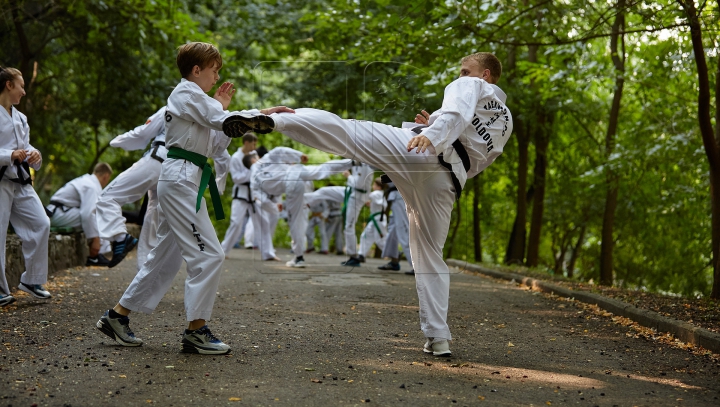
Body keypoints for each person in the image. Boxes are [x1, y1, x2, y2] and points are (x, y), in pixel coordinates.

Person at [223, 52, 513, 357]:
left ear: (485, 75)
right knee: (430, 258)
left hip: (420, 152)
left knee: (347, 131)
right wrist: (436, 128)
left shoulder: (473, 86)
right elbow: (472, 155)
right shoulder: (504, 124)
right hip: (446, 183)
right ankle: (438, 338)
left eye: (466, 70)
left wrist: (431, 133)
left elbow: (455, 112)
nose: (461, 75)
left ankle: (273, 119)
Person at [95, 41, 293, 354]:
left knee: (164, 258)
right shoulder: (186, 92)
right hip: (180, 179)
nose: (217, 78)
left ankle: (116, 317)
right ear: (197, 70)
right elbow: (219, 120)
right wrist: (254, 114)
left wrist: (246, 114)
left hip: (187, 179)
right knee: (210, 254)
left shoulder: (200, 103)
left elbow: (217, 144)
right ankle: (196, 330)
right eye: (214, 71)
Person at [0, 66, 52, 306]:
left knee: (41, 223)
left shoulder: (20, 117)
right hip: (1, 179)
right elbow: (11, 151)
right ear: (9, 85)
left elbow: (27, 145)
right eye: (21, 85)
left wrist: (35, 155)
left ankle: (31, 280)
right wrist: (9, 155)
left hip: (20, 180)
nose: (23, 91)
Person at [250, 146, 352, 268]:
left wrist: (274, 207)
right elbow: (279, 150)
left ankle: (299, 257)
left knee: (295, 221)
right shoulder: (267, 158)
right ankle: (354, 162)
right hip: (296, 171)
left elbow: (258, 195)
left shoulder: (255, 175)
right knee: (322, 169)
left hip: (291, 185)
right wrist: (298, 155)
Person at [47, 163, 114, 266]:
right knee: (96, 215)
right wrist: (96, 239)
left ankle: (98, 254)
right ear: (106, 176)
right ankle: (94, 255)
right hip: (57, 214)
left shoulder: (88, 181)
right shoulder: (91, 186)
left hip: (59, 212)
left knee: (99, 213)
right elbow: (88, 214)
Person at [219, 133, 258, 256]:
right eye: (253, 143)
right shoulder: (236, 157)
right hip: (240, 193)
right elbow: (236, 178)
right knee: (236, 223)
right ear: (246, 142)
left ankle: (268, 253)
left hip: (253, 193)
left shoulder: (254, 155)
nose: (254, 146)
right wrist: (251, 171)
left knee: (263, 221)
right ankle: (222, 251)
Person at [340, 162, 374, 266]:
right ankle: (352, 255)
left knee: (349, 226)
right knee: (348, 226)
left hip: (357, 197)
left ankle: (353, 256)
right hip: (354, 195)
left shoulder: (365, 167)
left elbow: (359, 184)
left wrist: (348, 176)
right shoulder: (357, 165)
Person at [378, 181, 414, 274]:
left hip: (401, 194)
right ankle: (394, 261)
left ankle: (418, 266)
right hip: (397, 196)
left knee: (404, 231)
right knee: (392, 231)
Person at [304, 185, 345, 255]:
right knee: (309, 231)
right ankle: (339, 249)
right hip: (336, 214)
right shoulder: (336, 194)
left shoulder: (326, 196)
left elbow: (327, 208)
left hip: (330, 215)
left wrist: (324, 216)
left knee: (326, 232)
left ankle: (325, 248)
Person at [357, 177, 387, 262]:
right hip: (376, 219)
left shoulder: (377, 193)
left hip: (378, 220)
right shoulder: (380, 194)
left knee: (380, 240)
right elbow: (379, 205)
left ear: (379, 187)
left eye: (374, 184)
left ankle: (394, 254)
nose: (373, 186)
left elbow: (367, 195)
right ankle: (361, 254)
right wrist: (371, 204)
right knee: (365, 235)